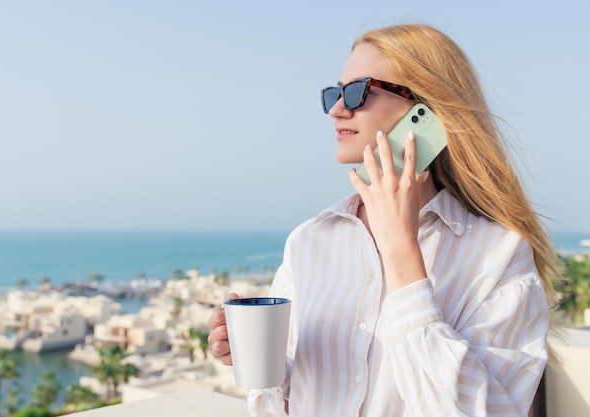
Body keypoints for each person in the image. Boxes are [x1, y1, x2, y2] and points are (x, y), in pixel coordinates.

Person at [207, 23, 560, 417]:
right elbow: (280, 404)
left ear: (425, 112)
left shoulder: (498, 253)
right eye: (334, 94)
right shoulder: (309, 242)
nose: (338, 109)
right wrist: (260, 364)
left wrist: (400, 250)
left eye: (358, 92)